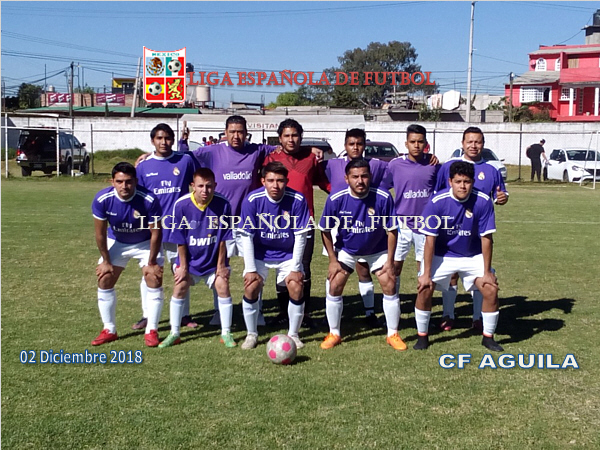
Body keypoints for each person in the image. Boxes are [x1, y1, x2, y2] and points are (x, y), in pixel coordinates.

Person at [414, 161, 503, 352]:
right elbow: (429, 240)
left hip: (472, 255)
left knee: (490, 289)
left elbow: (487, 238)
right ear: (450, 182)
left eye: (467, 182)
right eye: (458, 181)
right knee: (424, 288)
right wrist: (426, 273)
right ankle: (422, 337)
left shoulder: (483, 201)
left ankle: (488, 337)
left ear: (473, 182)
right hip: (442, 255)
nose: (463, 186)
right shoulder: (437, 201)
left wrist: (487, 272)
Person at [319, 159, 405, 351]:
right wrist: (333, 260)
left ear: (370, 177)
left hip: (377, 250)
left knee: (389, 283)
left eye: (364, 176)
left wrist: (389, 261)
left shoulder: (383, 196)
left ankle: (393, 334)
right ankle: (334, 333)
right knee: (335, 283)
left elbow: (392, 230)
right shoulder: (336, 198)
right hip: (347, 250)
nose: (360, 181)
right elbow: (325, 229)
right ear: (346, 178)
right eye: (355, 177)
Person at [435, 126, 508, 332]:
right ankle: (448, 315)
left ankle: (477, 317)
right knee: (451, 274)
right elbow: (437, 195)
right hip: (450, 231)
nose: (473, 145)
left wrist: (502, 198)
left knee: (480, 274)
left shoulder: (491, 170)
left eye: (478, 142)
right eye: (470, 141)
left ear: (483, 144)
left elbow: (500, 195)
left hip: (478, 233)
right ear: (462, 143)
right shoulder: (448, 167)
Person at [321, 129, 392, 327]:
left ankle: (369, 312)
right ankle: (331, 315)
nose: (355, 147)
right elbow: (317, 174)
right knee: (334, 272)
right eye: (351, 144)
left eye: (359, 144)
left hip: (366, 221)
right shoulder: (332, 164)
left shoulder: (375, 165)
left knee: (363, 270)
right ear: (345, 146)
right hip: (340, 224)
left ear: (364, 146)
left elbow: (396, 175)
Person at [263, 119, 330, 329]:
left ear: (301, 137)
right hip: (277, 222)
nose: (291, 139)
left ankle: (304, 313)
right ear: (280, 138)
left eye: (295, 135)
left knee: (303, 267)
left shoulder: (311, 158)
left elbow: (325, 183)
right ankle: (284, 312)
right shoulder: (271, 158)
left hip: (304, 220)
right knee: (281, 266)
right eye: (287, 135)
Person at [238, 162, 312, 349]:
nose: (275, 185)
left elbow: (301, 236)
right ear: (263, 181)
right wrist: (250, 269)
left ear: (286, 181)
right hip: (260, 253)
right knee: (251, 286)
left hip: (287, 254)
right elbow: (246, 235)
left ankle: (293, 335)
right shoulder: (252, 200)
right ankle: (252, 334)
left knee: (296, 286)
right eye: (270, 180)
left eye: (280, 180)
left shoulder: (297, 200)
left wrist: (296, 267)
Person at [159, 168, 235, 348]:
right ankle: (174, 333)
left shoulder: (224, 204)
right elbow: (180, 239)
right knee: (179, 287)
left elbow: (223, 239)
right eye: (200, 186)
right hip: (190, 261)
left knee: (223, 286)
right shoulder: (181, 205)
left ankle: (226, 333)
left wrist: (221, 266)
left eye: (209, 186)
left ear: (215, 185)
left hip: (212, 262)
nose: (205, 190)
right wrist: (183, 266)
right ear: (193, 186)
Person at [91, 162, 164, 347]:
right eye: (119, 181)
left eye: (129, 181)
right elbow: (100, 234)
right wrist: (106, 261)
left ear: (136, 181)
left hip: (145, 242)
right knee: (105, 278)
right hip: (118, 241)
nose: (124, 186)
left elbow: (156, 233)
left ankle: (152, 330)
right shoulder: (102, 199)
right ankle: (109, 329)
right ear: (112, 182)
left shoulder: (149, 199)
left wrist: (152, 262)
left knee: (153, 278)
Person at [135, 123, 198, 330]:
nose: (164, 142)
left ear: (173, 140)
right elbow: (138, 196)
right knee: (150, 270)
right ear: (152, 140)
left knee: (181, 271)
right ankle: (147, 315)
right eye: (159, 138)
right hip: (152, 229)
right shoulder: (143, 166)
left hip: (179, 228)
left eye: (168, 138)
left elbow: (199, 181)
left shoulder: (185, 160)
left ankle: (184, 315)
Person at [387, 124, 440, 301]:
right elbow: (383, 187)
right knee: (394, 266)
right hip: (401, 225)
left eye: (420, 141)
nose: (416, 145)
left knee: (424, 268)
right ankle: (393, 302)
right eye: (412, 141)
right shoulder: (395, 165)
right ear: (406, 143)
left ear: (425, 143)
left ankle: (421, 305)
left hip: (425, 226)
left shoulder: (433, 165)